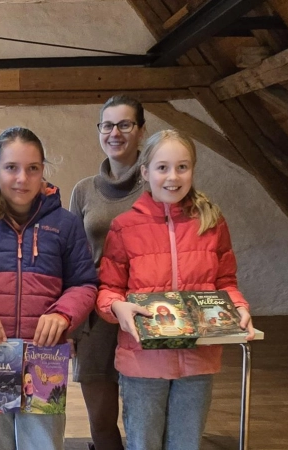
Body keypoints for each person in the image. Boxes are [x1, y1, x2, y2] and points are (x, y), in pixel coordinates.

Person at [0, 127, 98, 450]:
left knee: (42, 444)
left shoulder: (65, 224)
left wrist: (64, 315)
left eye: (32, 168)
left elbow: (84, 284)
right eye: (11, 167)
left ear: (43, 171)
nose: (22, 178)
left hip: (44, 360)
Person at [96, 130, 255, 450]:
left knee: (186, 444)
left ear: (192, 170)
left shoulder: (212, 223)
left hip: (198, 360)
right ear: (145, 172)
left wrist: (239, 307)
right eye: (162, 167)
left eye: (182, 167)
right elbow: (108, 288)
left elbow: (226, 282)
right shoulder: (124, 227)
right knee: (144, 444)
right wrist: (117, 307)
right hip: (142, 363)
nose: (172, 176)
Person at [69, 95, 147, 450]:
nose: (115, 132)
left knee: (145, 414)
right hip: (97, 313)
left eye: (125, 124)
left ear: (141, 130)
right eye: (107, 125)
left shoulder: (158, 184)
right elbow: (73, 257)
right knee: (101, 418)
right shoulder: (84, 190)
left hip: (148, 307)